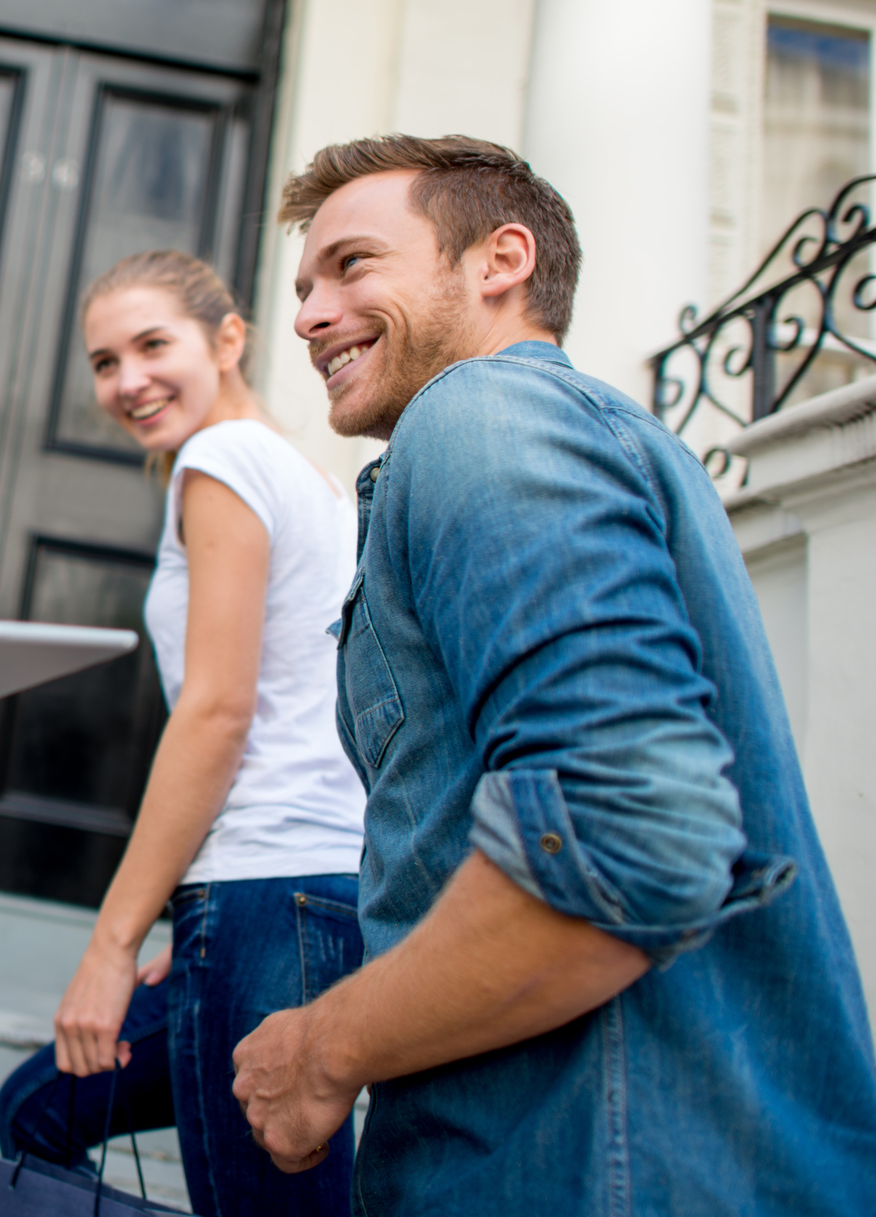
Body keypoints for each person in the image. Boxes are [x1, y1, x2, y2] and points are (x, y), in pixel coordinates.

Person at [233, 134, 876, 1213]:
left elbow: (626, 834)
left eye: (351, 265)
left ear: (501, 260)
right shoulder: (583, 435)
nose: (307, 316)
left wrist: (324, 1047)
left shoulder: (483, 416)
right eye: (303, 289)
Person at [0, 251, 365, 1216]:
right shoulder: (315, 481)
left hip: (263, 889)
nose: (128, 381)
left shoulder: (220, 462)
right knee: (37, 1113)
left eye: (153, 345)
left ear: (228, 339)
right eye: (104, 362)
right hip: (302, 893)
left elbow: (218, 710)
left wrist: (113, 944)